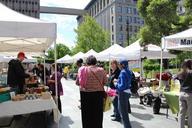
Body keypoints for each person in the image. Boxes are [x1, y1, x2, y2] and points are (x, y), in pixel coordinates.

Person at [76, 55, 107, 128]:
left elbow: (77, 83)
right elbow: (105, 82)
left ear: (87, 62)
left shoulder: (82, 69)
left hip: (85, 95)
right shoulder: (101, 70)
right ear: (95, 62)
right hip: (98, 95)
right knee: (98, 115)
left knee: (86, 116)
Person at [175, 60, 192, 128]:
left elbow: (173, 78)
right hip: (189, 94)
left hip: (181, 93)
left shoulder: (180, 73)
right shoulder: (191, 72)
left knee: (182, 113)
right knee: (190, 113)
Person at [115, 60, 132, 128]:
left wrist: (116, 84)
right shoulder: (128, 71)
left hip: (123, 93)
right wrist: (118, 81)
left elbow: (122, 86)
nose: (118, 65)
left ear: (123, 65)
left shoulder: (122, 72)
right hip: (127, 92)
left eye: (119, 64)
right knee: (122, 111)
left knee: (123, 113)